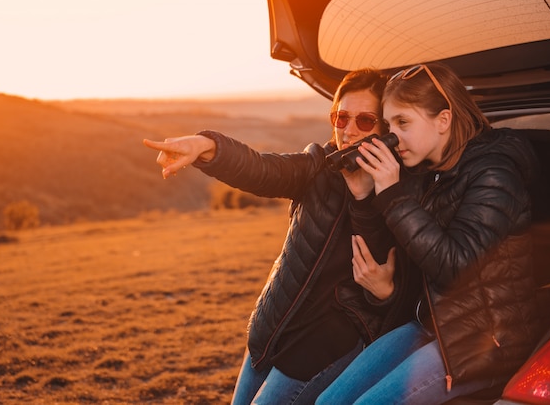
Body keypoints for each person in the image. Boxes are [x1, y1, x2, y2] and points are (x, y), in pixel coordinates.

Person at [143, 68, 421, 404]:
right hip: (274, 328)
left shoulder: (401, 193)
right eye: (340, 116)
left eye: (364, 121)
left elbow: (391, 278)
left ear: (385, 128)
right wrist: (208, 146)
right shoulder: (318, 165)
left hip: (323, 346)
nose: (347, 130)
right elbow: (262, 169)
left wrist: (363, 198)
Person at [316, 62, 541, 405]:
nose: (392, 136)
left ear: (443, 120)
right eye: (389, 125)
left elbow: (456, 269)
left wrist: (392, 196)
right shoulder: (426, 170)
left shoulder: (494, 173)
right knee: (327, 402)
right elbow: (408, 259)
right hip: (432, 322)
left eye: (403, 123)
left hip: (486, 341)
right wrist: (387, 288)